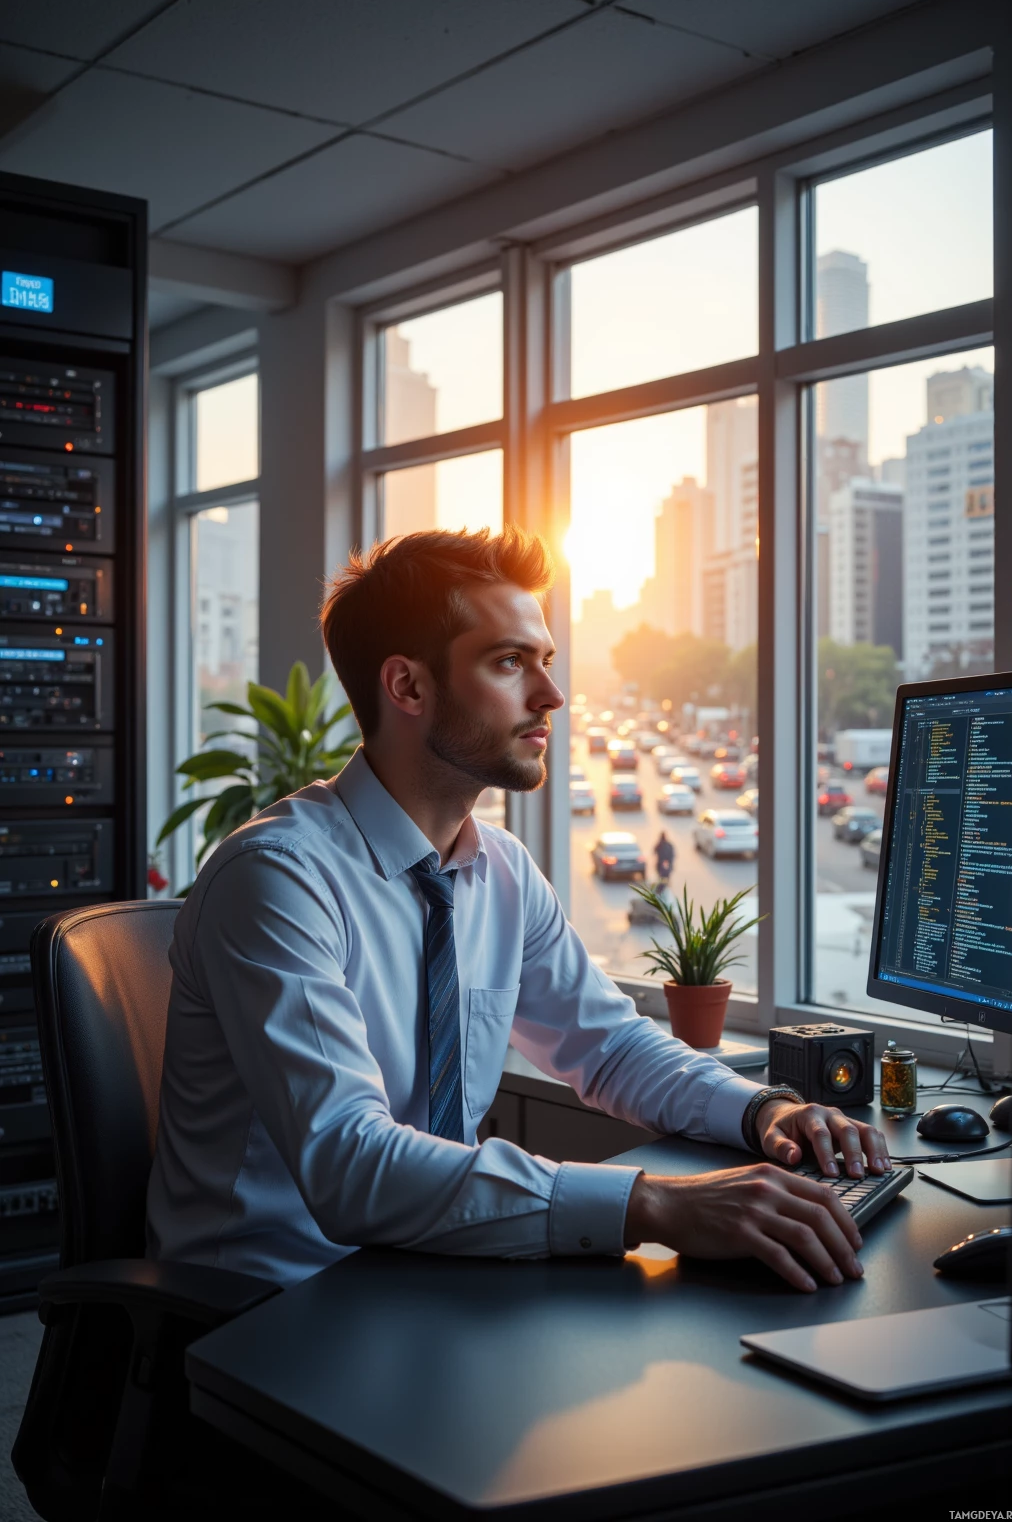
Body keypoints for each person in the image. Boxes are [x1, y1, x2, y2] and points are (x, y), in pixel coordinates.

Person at [147, 527, 890, 1294]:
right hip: (268, 1312)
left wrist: (762, 1111)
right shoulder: (277, 878)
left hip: (433, 1276)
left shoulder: (498, 868)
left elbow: (606, 1048)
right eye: (509, 662)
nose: (551, 696)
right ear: (407, 687)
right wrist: (656, 1204)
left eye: (547, 662)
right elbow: (351, 1163)